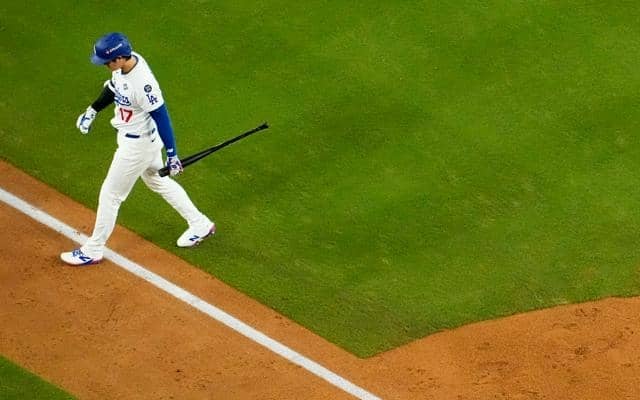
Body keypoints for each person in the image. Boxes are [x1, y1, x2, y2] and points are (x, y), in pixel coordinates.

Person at [60, 32, 215, 266]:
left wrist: (173, 155)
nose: (105, 66)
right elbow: (114, 88)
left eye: (107, 62)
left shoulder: (142, 84)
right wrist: (92, 110)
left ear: (119, 58)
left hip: (137, 147)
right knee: (157, 181)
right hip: (139, 142)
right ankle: (200, 223)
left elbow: (162, 117)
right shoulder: (126, 64)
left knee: (111, 195)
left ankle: (93, 249)